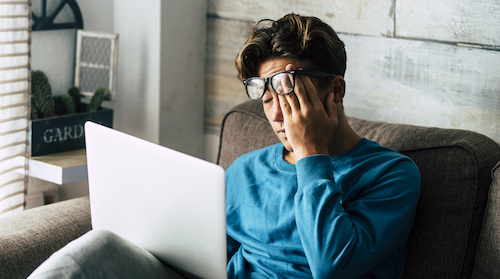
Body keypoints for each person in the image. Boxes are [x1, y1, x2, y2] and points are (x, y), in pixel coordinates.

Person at [29, 13, 420, 279]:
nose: (278, 113)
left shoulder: (391, 174)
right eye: (266, 97)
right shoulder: (246, 171)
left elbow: (331, 266)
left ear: (334, 90)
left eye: (287, 90)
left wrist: (312, 154)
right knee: (99, 248)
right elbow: (203, 259)